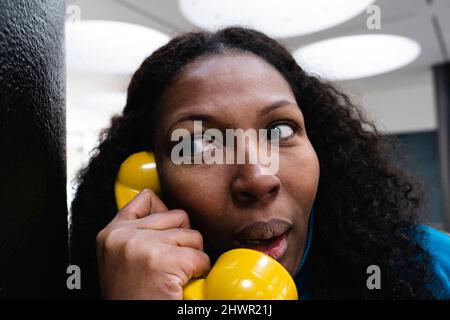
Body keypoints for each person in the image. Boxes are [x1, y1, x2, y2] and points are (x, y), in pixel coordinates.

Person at [70, 27, 450, 300]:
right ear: (150, 177)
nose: (257, 177)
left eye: (280, 130)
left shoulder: (431, 268)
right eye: (202, 144)